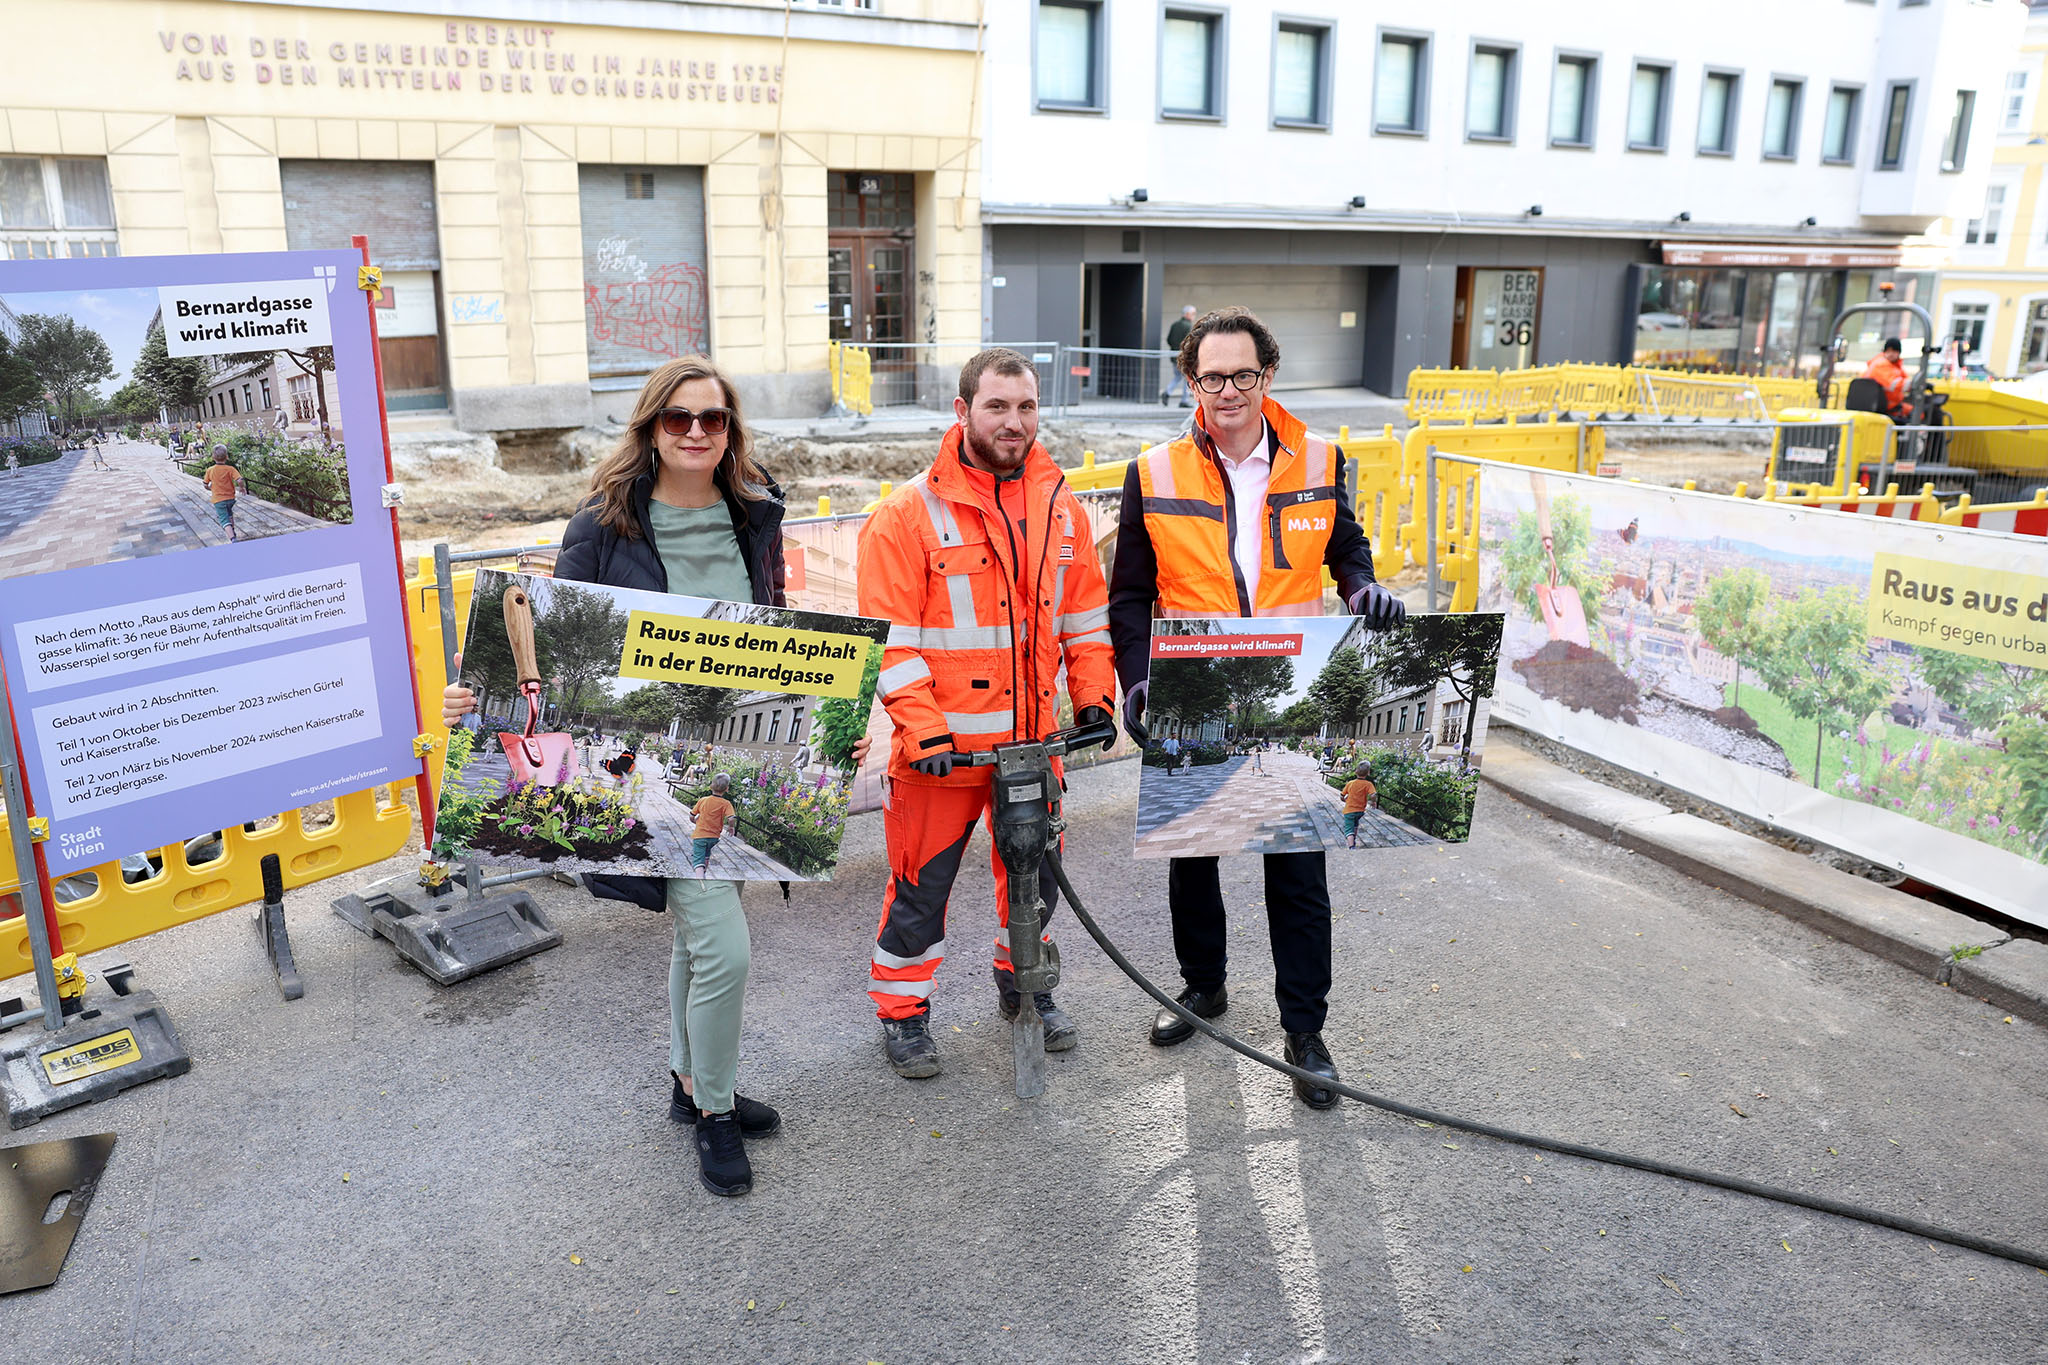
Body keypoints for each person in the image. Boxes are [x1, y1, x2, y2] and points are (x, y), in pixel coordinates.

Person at [442, 355, 788, 1198]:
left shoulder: (756, 511)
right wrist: (475, 694)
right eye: (678, 420)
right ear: (649, 428)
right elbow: (554, 647)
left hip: (730, 753)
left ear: (730, 429)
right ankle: (712, 1110)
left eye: (713, 419)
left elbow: (777, 625)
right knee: (725, 949)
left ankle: (685, 1080)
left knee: (703, 933)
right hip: (647, 764)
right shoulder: (602, 527)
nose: (698, 433)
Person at [1110, 305, 1406, 1110]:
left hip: (1290, 688)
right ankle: (1203, 990)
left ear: (1267, 375)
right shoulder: (1153, 471)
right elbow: (1130, 594)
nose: (1230, 390)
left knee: (1297, 868)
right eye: (1214, 376)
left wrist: (1362, 588)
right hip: (1196, 683)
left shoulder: (1318, 456)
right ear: (1191, 381)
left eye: (1245, 374)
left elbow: (1346, 549)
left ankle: (1304, 1032)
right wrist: (1136, 677)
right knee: (1194, 855)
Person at [856, 347, 1118, 1079]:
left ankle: (1024, 984)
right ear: (963, 410)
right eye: (997, 406)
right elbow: (892, 643)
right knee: (919, 893)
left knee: (1036, 884)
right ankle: (903, 1014)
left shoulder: (1061, 507)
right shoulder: (905, 517)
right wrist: (923, 728)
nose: (1013, 421)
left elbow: (1085, 624)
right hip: (941, 757)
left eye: (1026, 406)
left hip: (1033, 751)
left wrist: (1096, 699)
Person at [689, 773, 735, 877]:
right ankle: (704, 873)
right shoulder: (726, 803)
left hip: (700, 836)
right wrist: (731, 827)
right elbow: (731, 818)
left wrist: (694, 821)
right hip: (714, 838)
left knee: (697, 861)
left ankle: (700, 881)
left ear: (710, 786)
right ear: (726, 789)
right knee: (706, 854)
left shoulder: (703, 800)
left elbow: (692, 815)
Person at [204, 445, 244, 542]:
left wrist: (210, 488)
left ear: (213, 457)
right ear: (226, 457)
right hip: (230, 499)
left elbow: (205, 484)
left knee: (224, 519)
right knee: (229, 514)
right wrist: (242, 488)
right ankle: (232, 530)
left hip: (218, 500)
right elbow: (239, 479)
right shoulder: (230, 469)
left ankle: (233, 539)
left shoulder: (210, 470)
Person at [1866, 338, 1912, 422]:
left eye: (1894, 351)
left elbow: (1905, 379)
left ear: (1899, 353)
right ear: (1884, 351)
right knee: (1918, 412)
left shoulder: (1895, 366)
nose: (1891, 354)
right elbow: (1896, 384)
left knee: (1919, 411)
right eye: (1888, 351)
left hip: (1890, 404)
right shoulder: (1881, 364)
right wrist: (1915, 385)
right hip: (1886, 406)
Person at [1162, 304, 1198, 407]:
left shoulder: (1175, 325)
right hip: (1184, 357)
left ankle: (1168, 392)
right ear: (1187, 314)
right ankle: (1184, 400)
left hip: (1174, 357)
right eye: (1193, 314)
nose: (1194, 316)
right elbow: (1190, 342)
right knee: (1187, 378)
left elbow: (1169, 339)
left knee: (1178, 377)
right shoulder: (1188, 326)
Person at [1340, 764, 1378, 849]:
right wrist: (1373, 802)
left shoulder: (1350, 783)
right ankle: (1354, 839)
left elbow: (1342, 795)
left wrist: (1344, 800)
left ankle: (1351, 847)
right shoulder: (1368, 784)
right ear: (1368, 773)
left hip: (1349, 811)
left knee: (1349, 830)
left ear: (1356, 772)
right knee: (1355, 824)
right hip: (1360, 811)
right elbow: (1373, 794)